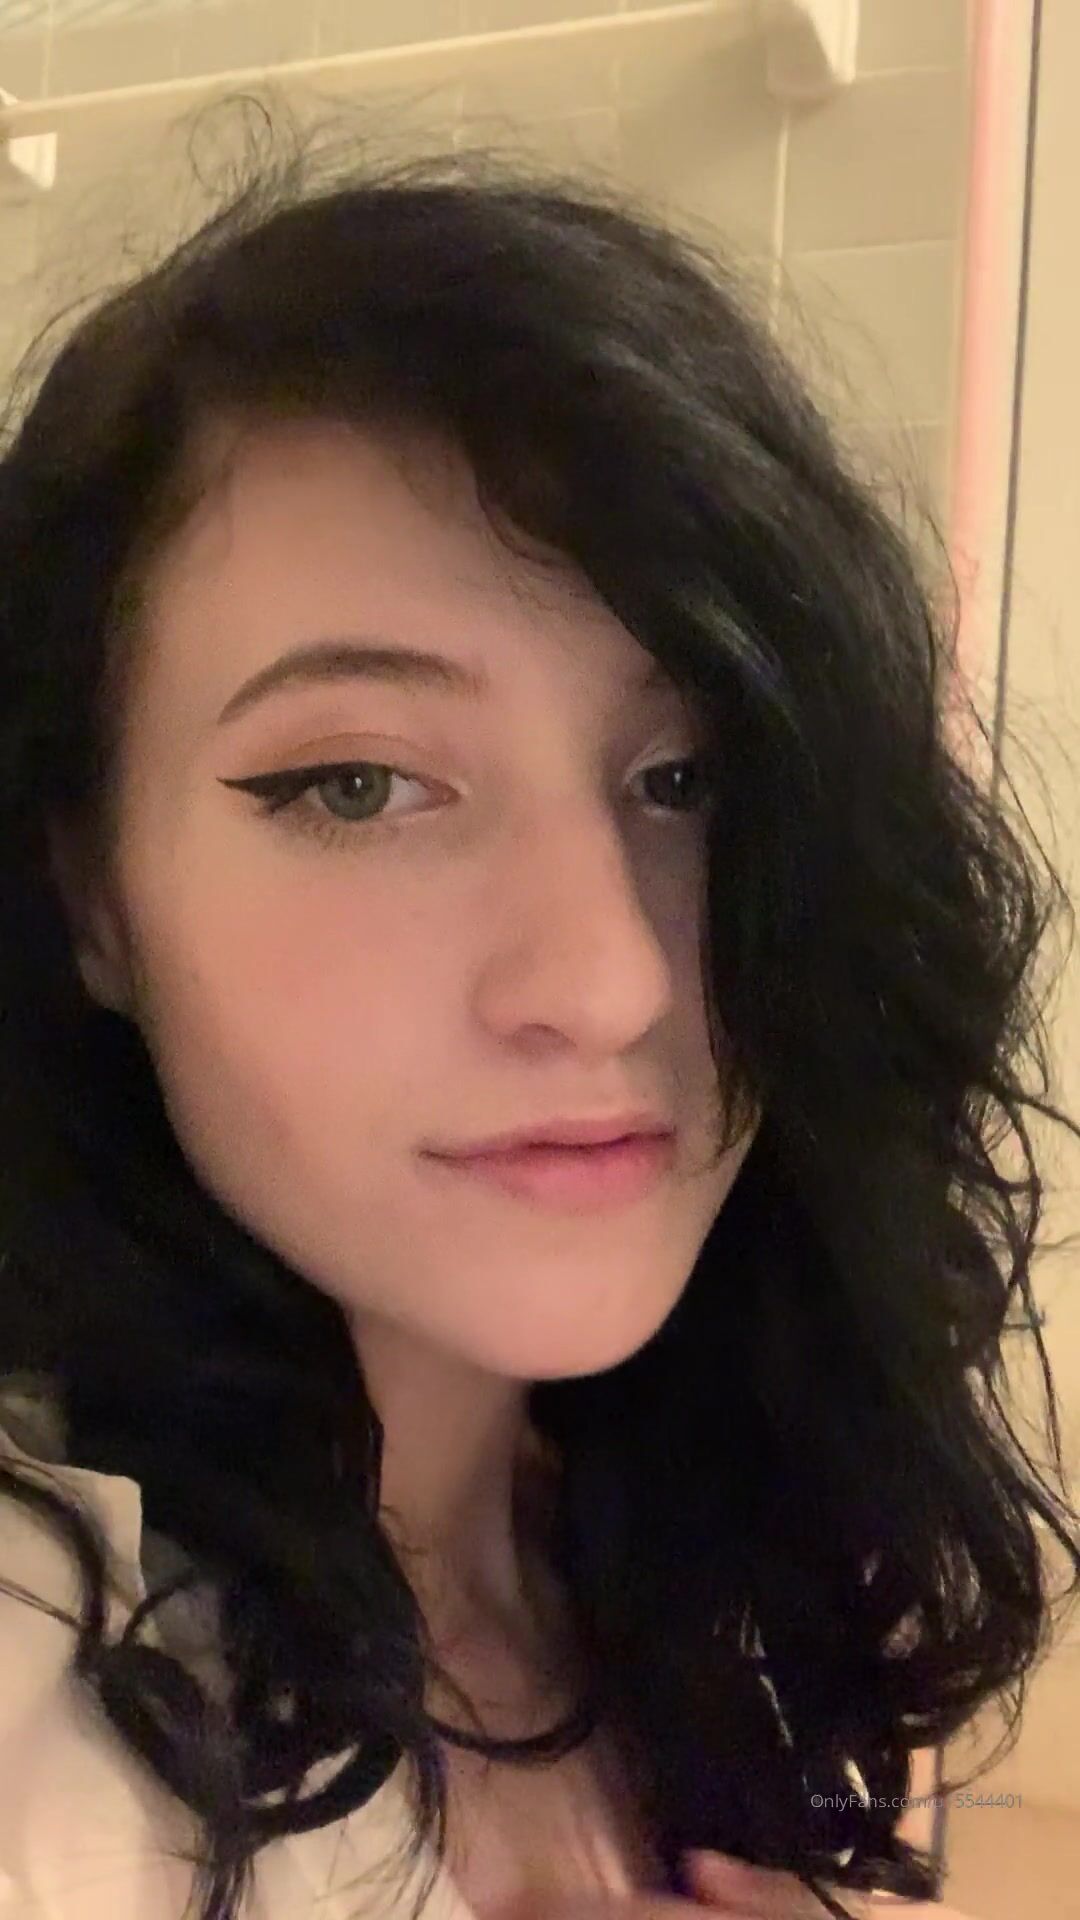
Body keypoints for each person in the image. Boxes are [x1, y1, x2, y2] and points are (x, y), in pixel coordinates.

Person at [0, 108, 1074, 1920]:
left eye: (685, 779)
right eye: (358, 785)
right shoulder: (44, 1673)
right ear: (91, 895)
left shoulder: (705, 1543)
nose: (610, 978)